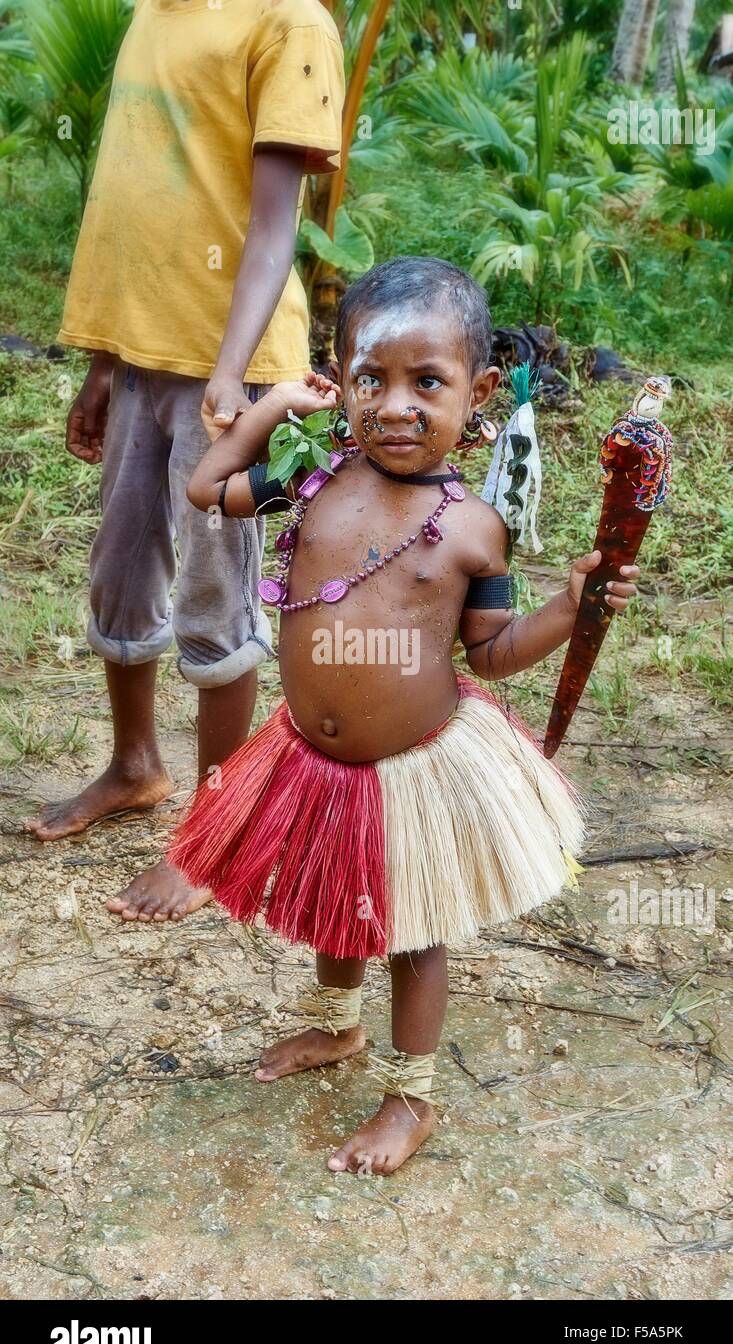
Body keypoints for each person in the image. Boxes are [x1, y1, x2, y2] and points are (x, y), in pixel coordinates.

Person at [168, 256, 641, 1175]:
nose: (395, 406)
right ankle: (338, 1028)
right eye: (369, 379)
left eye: (428, 382)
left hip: (414, 769)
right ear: (337, 380)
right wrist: (269, 410)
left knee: (412, 932)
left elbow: (492, 654)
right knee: (331, 909)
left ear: (481, 390)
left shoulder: (472, 529)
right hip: (309, 758)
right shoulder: (305, 483)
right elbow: (204, 490)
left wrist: (568, 609)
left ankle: (409, 1097)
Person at [25, 0, 345, 926]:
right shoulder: (150, 15)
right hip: (139, 359)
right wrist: (100, 362)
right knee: (121, 573)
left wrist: (231, 379)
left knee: (215, 589)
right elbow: (133, 209)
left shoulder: (290, 23)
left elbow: (275, 225)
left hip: (229, 375)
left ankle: (213, 831)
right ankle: (135, 766)